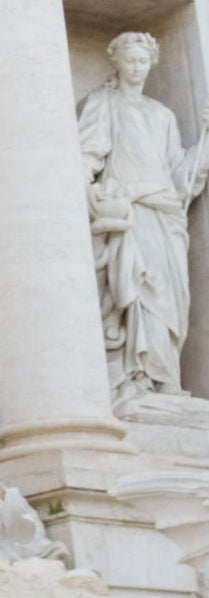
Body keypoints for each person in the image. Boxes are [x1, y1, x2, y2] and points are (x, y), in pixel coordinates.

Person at [77, 30, 209, 406]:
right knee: (142, 290)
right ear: (116, 62)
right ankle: (138, 376)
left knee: (170, 298)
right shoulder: (103, 103)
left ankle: (167, 378)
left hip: (166, 214)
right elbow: (88, 154)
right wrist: (87, 190)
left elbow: (181, 176)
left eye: (143, 61)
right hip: (132, 211)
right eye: (130, 60)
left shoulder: (162, 115)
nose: (137, 68)